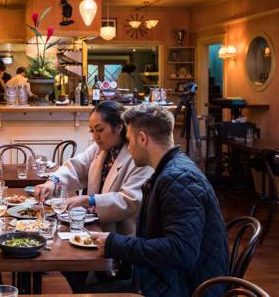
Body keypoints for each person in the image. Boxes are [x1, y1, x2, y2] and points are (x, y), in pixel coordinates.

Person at [92, 103, 228, 297]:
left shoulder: (178, 178)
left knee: (85, 290)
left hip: (184, 288)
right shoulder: (172, 169)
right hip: (165, 277)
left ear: (142, 138)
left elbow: (181, 251)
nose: (128, 148)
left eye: (129, 141)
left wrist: (115, 244)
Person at [34, 101, 153, 290]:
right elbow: (75, 167)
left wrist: (88, 200)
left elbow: (130, 201)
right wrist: (52, 183)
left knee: (71, 264)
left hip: (122, 237)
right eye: (91, 131)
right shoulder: (100, 149)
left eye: (100, 129)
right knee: (65, 260)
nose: (95, 137)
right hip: (93, 229)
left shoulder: (137, 156)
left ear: (119, 127)